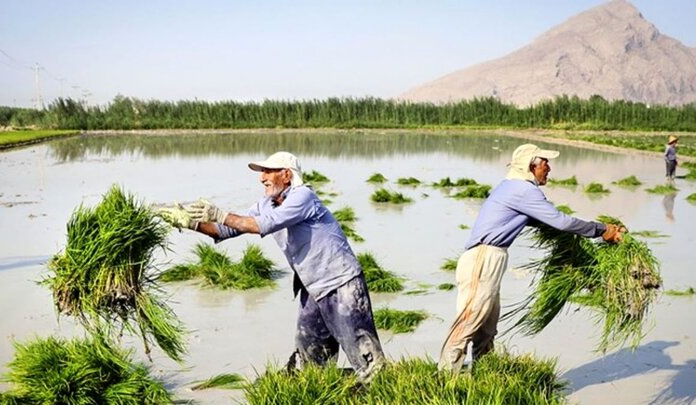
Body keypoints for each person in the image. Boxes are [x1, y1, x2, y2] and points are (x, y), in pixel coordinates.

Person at [158, 151, 385, 382]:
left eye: (268, 171)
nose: (262, 178)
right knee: (311, 359)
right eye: (261, 172)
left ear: (287, 175)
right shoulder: (265, 204)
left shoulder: (303, 197)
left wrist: (220, 214)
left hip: (341, 283)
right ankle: (323, 390)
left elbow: (265, 224)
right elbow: (225, 230)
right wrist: (190, 222)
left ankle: (379, 389)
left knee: (362, 352)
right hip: (312, 288)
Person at [438, 144, 626, 373]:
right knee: (469, 321)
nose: (549, 168)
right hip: (483, 259)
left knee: (486, 327)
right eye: (545, 163)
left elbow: (548, 222)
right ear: (531, 166)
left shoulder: (512, 187)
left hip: (490, 258)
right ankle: (446, 379)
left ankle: (483, 376)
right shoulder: (522, 190)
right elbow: (561, 221)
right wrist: (601, 229)